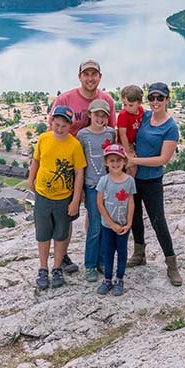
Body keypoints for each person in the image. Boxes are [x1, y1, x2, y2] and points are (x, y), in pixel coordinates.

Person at [50, 59, 116, 274]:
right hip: (67, 164)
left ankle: (94, 252)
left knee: (95, 212)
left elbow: (113, 133)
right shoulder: (66, 98)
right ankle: (63, 255)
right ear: (79, 77)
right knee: (67, 211)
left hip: (96, 168)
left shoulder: (106, 100)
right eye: (86, 74)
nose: (90, 78)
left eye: (94, 74)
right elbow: (53, 129)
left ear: (100, 76)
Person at [126, 82, 182, 286]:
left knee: (158, 221)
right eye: (152, 98)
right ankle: (139, 253)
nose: (155, 102)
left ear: (167, 99)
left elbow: (163, 159)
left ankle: (172, 264)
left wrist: (135, 161)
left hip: (152, 180)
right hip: (134, 178)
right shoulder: (145, 117)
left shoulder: (170, 127)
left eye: (160, 98)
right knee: (135, 217)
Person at [28, 105, 86, 290]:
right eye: (57, 124)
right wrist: (31, 179)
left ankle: (57, 268)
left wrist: (76, 200)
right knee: (43, 234)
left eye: (64, 126)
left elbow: (79, 173)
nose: (59, 129)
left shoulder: (74, 145)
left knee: (61, 234)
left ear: (70, 126)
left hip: (64, 198)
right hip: (43, 195)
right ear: (51, 122)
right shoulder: (44, 139)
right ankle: (43, 268)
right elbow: (36, 160)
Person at [76, 99, 116, 283]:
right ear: (90, 114)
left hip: (108, 186)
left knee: (107, 225)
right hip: (92, 186)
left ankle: (102, 261)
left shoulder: (111, 133)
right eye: (97, 114)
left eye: (104, 115)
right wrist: (81, 189)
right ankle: (90, 265)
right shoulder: (82, 135)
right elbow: (80, 164)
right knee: (94, 227)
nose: (100, 118)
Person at [95, 144, 136, 297]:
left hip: (124, 225)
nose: (115, 163)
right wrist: (111, 224)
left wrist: (129, 223)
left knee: (122, 251)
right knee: (108, 251)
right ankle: (107, 279)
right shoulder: (104, 181)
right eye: (111, 160)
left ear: (124, 162)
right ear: (106, 162)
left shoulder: (129, 181)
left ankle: (119, 279)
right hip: (108, 225)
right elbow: (99, 203)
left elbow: (131, 202)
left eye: (119, 160)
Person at [116, 84, 145, 176]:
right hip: (123, 143)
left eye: (130, 105)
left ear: (139, 103)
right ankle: (128, 183)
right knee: (131, 164)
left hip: (133, 142)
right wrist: (127, 151)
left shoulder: (141, 110)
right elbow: (122, 134)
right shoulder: (123, 115)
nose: (127, 108)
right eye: (125, 105)